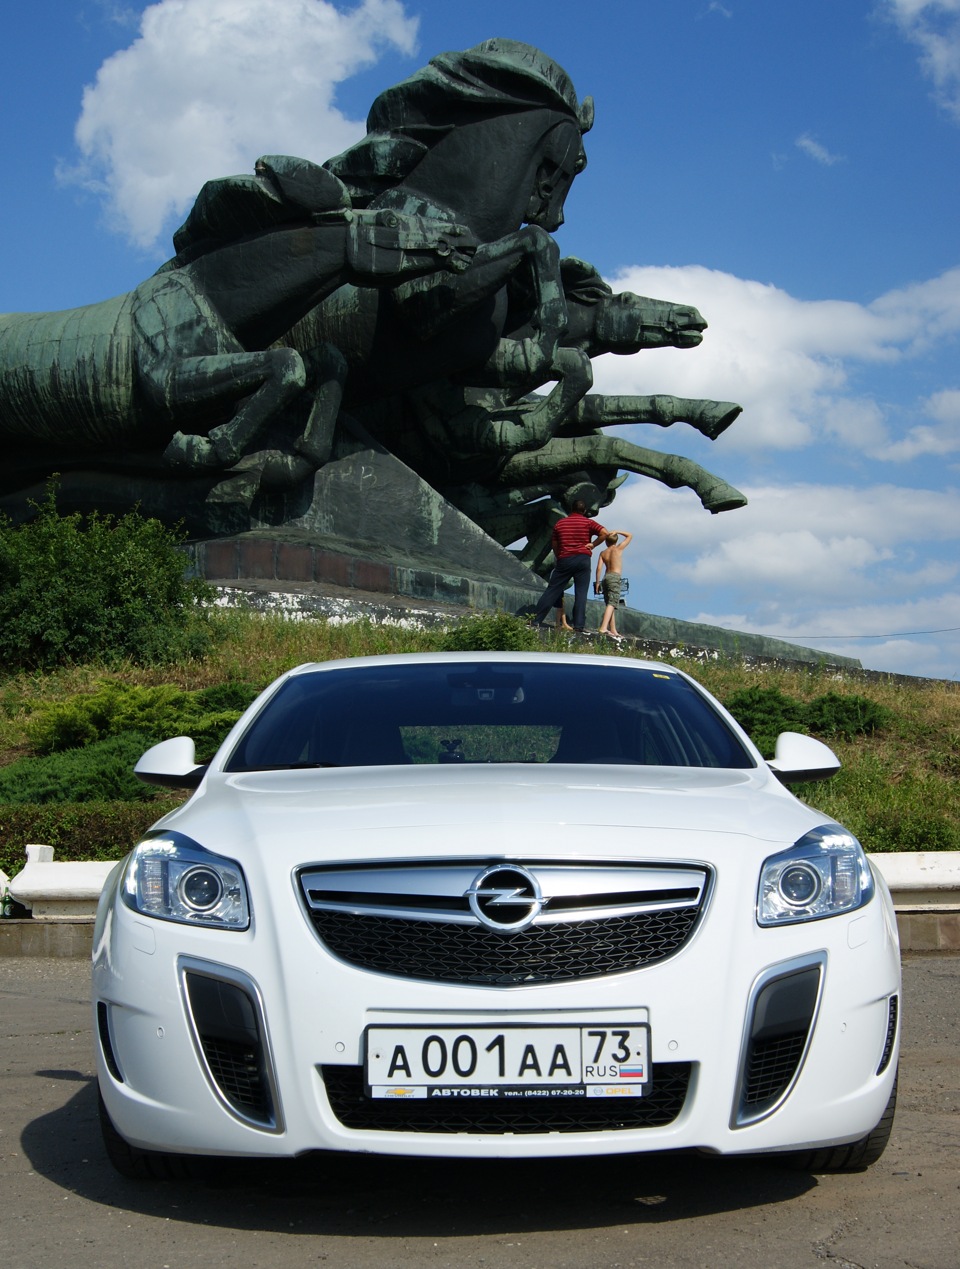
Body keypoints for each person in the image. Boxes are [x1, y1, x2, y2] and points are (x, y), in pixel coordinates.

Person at [533, 500, 608, 631]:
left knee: (553, 590)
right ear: (584, 511)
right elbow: (605, 533)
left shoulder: (560, 523)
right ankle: (579, 626)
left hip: (565, 559)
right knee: (581, 593)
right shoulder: (588, 522)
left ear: (571, 509)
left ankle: (536, 620)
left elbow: (555, 544)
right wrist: (593, 544)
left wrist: (559, 555)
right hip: (583, 559)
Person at [595, 530, 633, 640]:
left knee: (609, 602)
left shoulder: (603, 553)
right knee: (612, 603)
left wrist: (597, 582)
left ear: (606, 542)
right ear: (616, 541)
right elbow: (630, 535)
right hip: (615, 577)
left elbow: (598, 568)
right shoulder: (618, 549)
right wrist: (618, 531)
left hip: (605, 578)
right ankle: (603, 627)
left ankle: (613, 629)